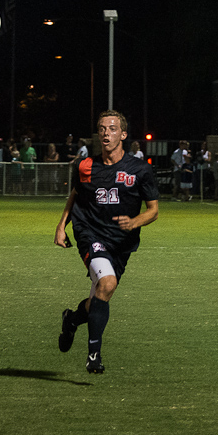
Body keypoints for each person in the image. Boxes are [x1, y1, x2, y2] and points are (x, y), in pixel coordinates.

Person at [54, 110, 159, 374]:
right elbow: (75, 196)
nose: (106, 133)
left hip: (121, 243)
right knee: (107, 283)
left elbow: (153, 210)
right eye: (102, 129)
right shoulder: (86, 165)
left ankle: (71, 320)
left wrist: (135, 222)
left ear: (123, 134)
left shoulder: (140, 170)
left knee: (102, 294)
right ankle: (94, 355)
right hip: (90, 234)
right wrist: (61, 226)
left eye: (112, 129)